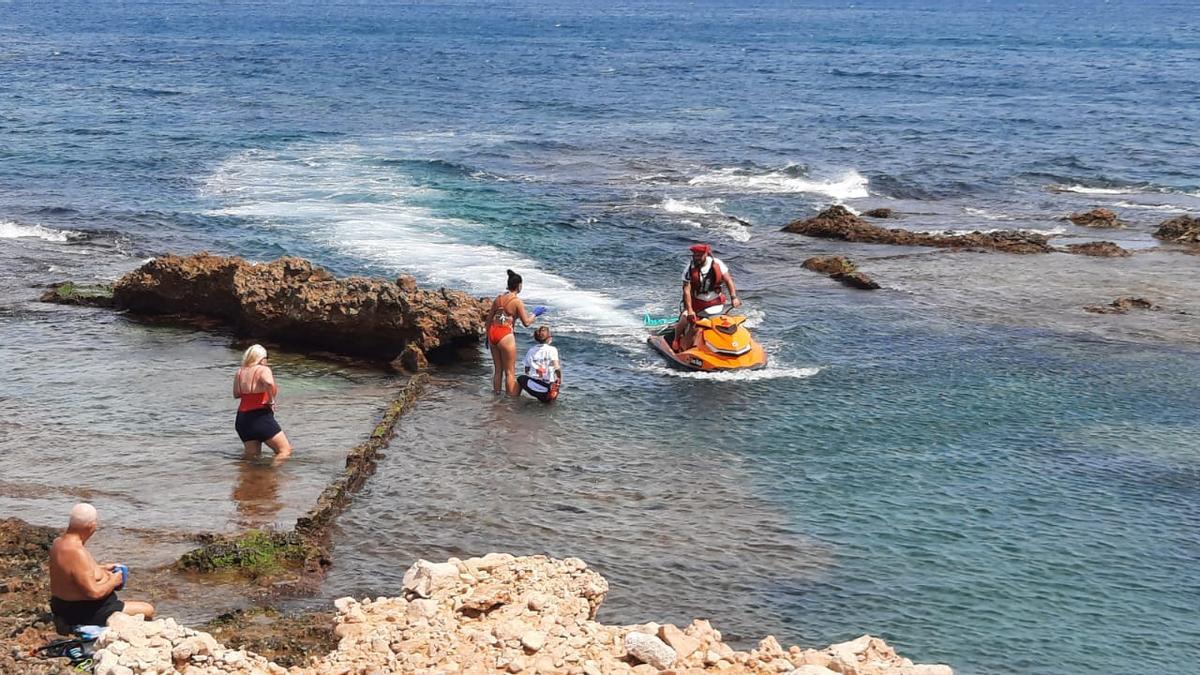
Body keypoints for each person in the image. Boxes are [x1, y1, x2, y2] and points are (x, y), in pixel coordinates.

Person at [48, 503, 154, 632]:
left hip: (62, 605)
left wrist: (102, 569)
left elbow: (73, 571)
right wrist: (114, 581)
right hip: (82, 611)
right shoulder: (76, 551)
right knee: (147, 609)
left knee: (137, 606)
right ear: (91, 526)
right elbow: (94, 593)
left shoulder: (59, 543)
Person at [484, 269, 545, 395]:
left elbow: (489, 319)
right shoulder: (517, 301)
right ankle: (510, 402)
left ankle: (496, 397)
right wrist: (535, 313)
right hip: (505, 334)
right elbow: (526, 322)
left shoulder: (498, 299)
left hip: (493, 333)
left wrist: (487, 336)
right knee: (510, 372)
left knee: (498, 370)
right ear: (519, 286)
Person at [673, 243, 742, 351]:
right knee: (687, 320)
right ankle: (677, 341)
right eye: (695, 255)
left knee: (726, 324)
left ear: (706, 254)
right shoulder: (689, 269)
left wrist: (734, 297)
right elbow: (686, 290)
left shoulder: (717, 264)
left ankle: (729, 346)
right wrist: (690, 310)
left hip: (716, 303)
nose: (697, 258)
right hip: (697, 303)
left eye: (699, 256)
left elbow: (728, 280)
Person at [233, 344, 292, 464]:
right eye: (266, 358)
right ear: (261, 358)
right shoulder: (263, 369)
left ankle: (250, 479)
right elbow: (269, 383)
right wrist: (271, 400)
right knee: (284, 450)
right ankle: (270, 474)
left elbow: (236, 394)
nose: (267, 361)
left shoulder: (240, 372)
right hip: (259, 416)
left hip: (242, 419)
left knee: (252, 457)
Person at [517, 326, 562, 403]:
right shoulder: (552, 349)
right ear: (549, 338)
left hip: (533, 387)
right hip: (548, 389)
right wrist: (559, 379)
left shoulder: (531, 351)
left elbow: (526, 370)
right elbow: (557, 368)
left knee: (520, 378)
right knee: (554, 386)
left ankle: (515, 400)